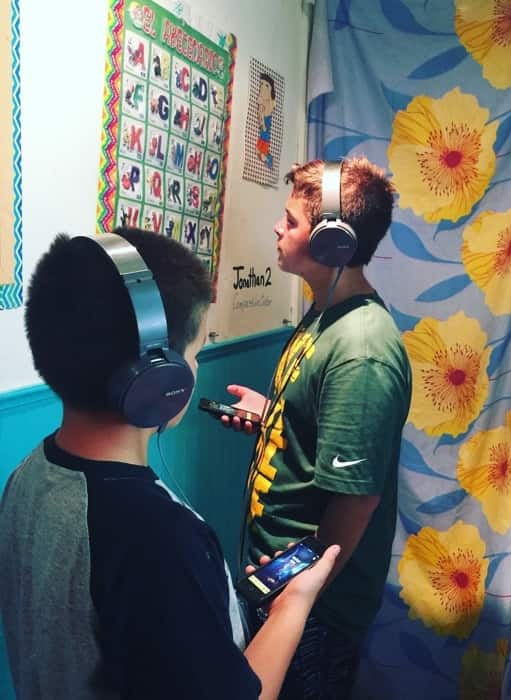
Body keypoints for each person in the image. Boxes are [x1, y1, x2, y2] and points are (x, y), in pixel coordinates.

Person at [0, 227, 339, 700]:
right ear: (157, 375)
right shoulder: (157, 538)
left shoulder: (26, 476)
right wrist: (292, 605)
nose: (195, 368)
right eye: (195, 353)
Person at [224, 157, 412, 699]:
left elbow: (356, 500)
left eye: (292, 221)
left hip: (313, 607)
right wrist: (275, 418)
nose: (278, 228)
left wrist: (300, 592)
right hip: (281, 582)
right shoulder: (326, 316)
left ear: (333, 242)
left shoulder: (362, 350)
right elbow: (326, 428)